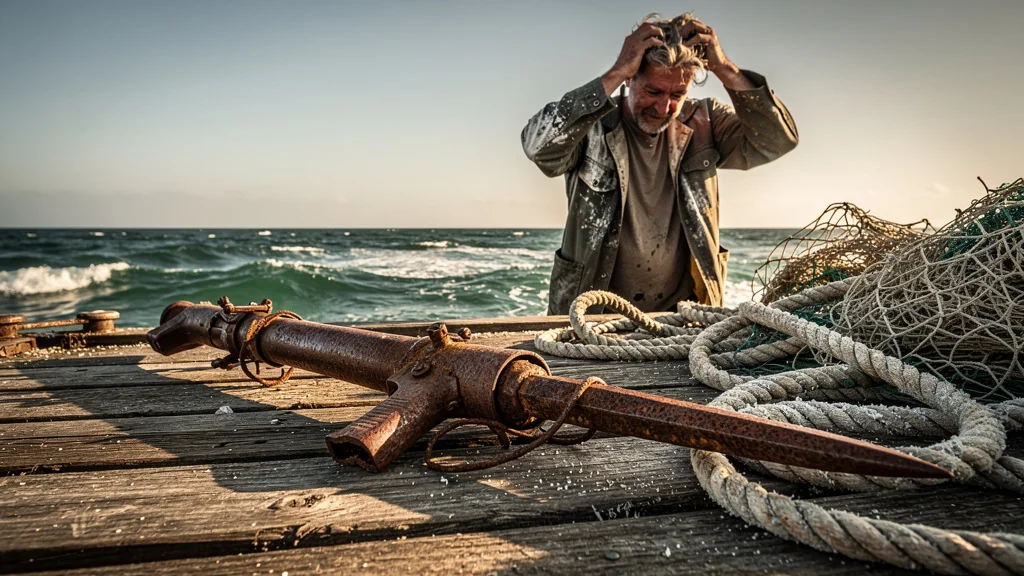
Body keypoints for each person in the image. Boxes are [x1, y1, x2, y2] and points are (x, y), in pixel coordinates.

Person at [522, 13, 798, 314]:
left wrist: (723, 67)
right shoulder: (593, 126)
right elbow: (539, 147)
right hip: (591, 317)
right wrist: (614, 71)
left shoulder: (706, 122)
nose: (664, 107)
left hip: (685, 317)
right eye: (653, 91)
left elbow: (776, 140)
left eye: (677, 94)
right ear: (630, 78)